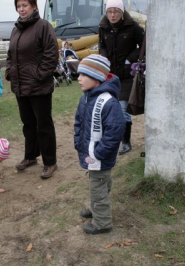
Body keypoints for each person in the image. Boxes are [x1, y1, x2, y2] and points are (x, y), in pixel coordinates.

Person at [5, 0, 59, 179]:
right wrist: (9, 72)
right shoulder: (16, 29)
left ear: (34, 6)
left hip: (39, 86)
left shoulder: (43, 26)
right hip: (20, 85)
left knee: (43, 124)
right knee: (28, 124)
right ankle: (30, 157)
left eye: (24, 5)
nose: (21, 9)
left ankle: (50, 162)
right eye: (18, 6)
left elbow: (51, 53)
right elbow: (10, 55)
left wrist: (39, 75)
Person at [74, 54, 125, 234]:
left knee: (97, 187)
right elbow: (79, 122)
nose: (78, 79)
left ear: (97, 77)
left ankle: (102, 222)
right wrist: (77, 141)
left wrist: (99, 153)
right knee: (100, 183)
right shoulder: (86, 98)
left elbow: (115, 131)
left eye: (83, 75)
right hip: (91, 154)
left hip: (99, 156)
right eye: (78, 74)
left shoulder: (109, 102)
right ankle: (98, 207)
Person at [99, 0, 145, 155]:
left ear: (122, 12)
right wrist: (104, 58)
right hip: (110, 75)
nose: (112, 15)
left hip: (127, 76)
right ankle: (113, 138)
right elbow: (102, 45)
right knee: (110, 109)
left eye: (116, 11)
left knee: (123, 109)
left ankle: (126, 142)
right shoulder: (103, 27)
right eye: (110, 11)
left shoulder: (133, 27)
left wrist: (130, 59)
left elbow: (144, 45)